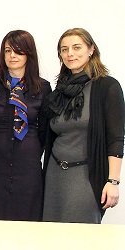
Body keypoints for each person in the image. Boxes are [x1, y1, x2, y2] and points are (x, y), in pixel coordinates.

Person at [43, 28, 123, 223]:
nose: (70, 53)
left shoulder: (107, 87)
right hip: (54, 175)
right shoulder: (59, 91)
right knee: (50, 238)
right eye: (64, 49)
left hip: (86, 176)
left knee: (81, 238)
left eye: (76, 47)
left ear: (91, 49)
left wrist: (113, 181)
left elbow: (116, 137)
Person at [0, 30, 51, 221]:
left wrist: (31, 149)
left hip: (28, 165)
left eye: (18, 51)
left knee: (27, 223)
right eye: (7, 51)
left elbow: (44, 131)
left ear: (29, 54)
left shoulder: (43, 88)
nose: (12, 56)